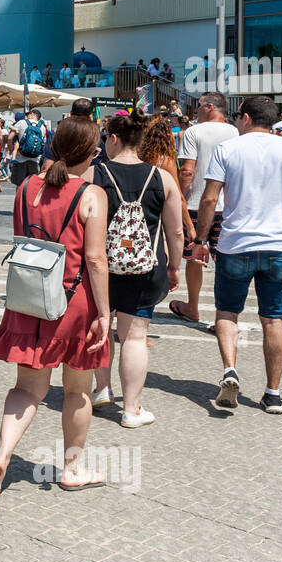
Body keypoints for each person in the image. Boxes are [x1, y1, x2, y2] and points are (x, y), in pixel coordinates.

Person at [0, 117, 111, 499]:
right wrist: (103, 313)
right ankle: (72, 468)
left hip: (30, 297)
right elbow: (96, 259)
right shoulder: (91, 194)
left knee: (27, 388)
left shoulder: (26, 188)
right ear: (92, 153)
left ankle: (2, 454)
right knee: (77, 390)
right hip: (73, 300)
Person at [192, 96, 282, 415]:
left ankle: (230, 370)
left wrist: (201, 238)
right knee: (273, 319)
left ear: (246, 118)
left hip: (236, 244)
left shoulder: (229, 149)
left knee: (226, 313)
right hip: (278, 246)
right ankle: (273, 393)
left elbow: (209, 200)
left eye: (238, 117)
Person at [86, 113, 184, 428]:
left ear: (113, 138)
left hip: (101, 266)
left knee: (102, 328)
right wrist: (174, 267)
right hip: (146, 267)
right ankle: (132, 409)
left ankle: (102, 389)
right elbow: (176, 233)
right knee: (135, 337)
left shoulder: (93, 174)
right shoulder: (163, 178)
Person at [169, 92, 238, 324]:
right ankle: (224, 316)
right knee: (225, 259)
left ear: (209, 107)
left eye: (198, 106)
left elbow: (188, 170)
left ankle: (193, 307)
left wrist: (180, 195)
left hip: (197, 202)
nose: (195, 110)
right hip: (227, 204)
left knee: (193, 258)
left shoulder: (194, 132)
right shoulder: (236, 132)